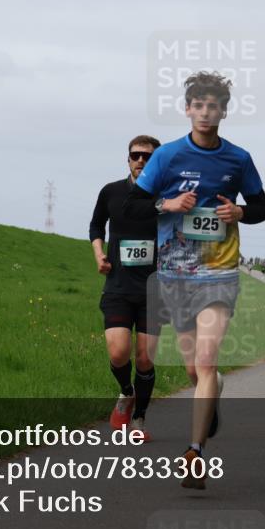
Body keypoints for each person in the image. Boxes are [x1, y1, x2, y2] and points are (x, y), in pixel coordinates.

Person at [124, 71, 265, 489]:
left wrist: (241, 212)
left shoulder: (238, 159)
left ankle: (195, 453)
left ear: (224, 111)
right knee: (195, 370)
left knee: (205, 361)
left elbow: (262, 207)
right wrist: (168, 203)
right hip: (175, 274)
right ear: (188, 109)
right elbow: (135, 205)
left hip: (220, 272)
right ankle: (212, 393)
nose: (206, 112)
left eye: (214, 106)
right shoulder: (167, 156)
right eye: (199, 105)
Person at [89, 135, 163, 441]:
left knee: (145, 358)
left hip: (154, 289)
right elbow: (96, 226)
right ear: (128, 159)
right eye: (136, 155)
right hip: (118, 285)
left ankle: (139, 420)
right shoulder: (111, 192)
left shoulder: (166, 197)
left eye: (148, 156)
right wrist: (99, 254)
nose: (141, 161)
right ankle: (126, 391)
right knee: (119, 352)